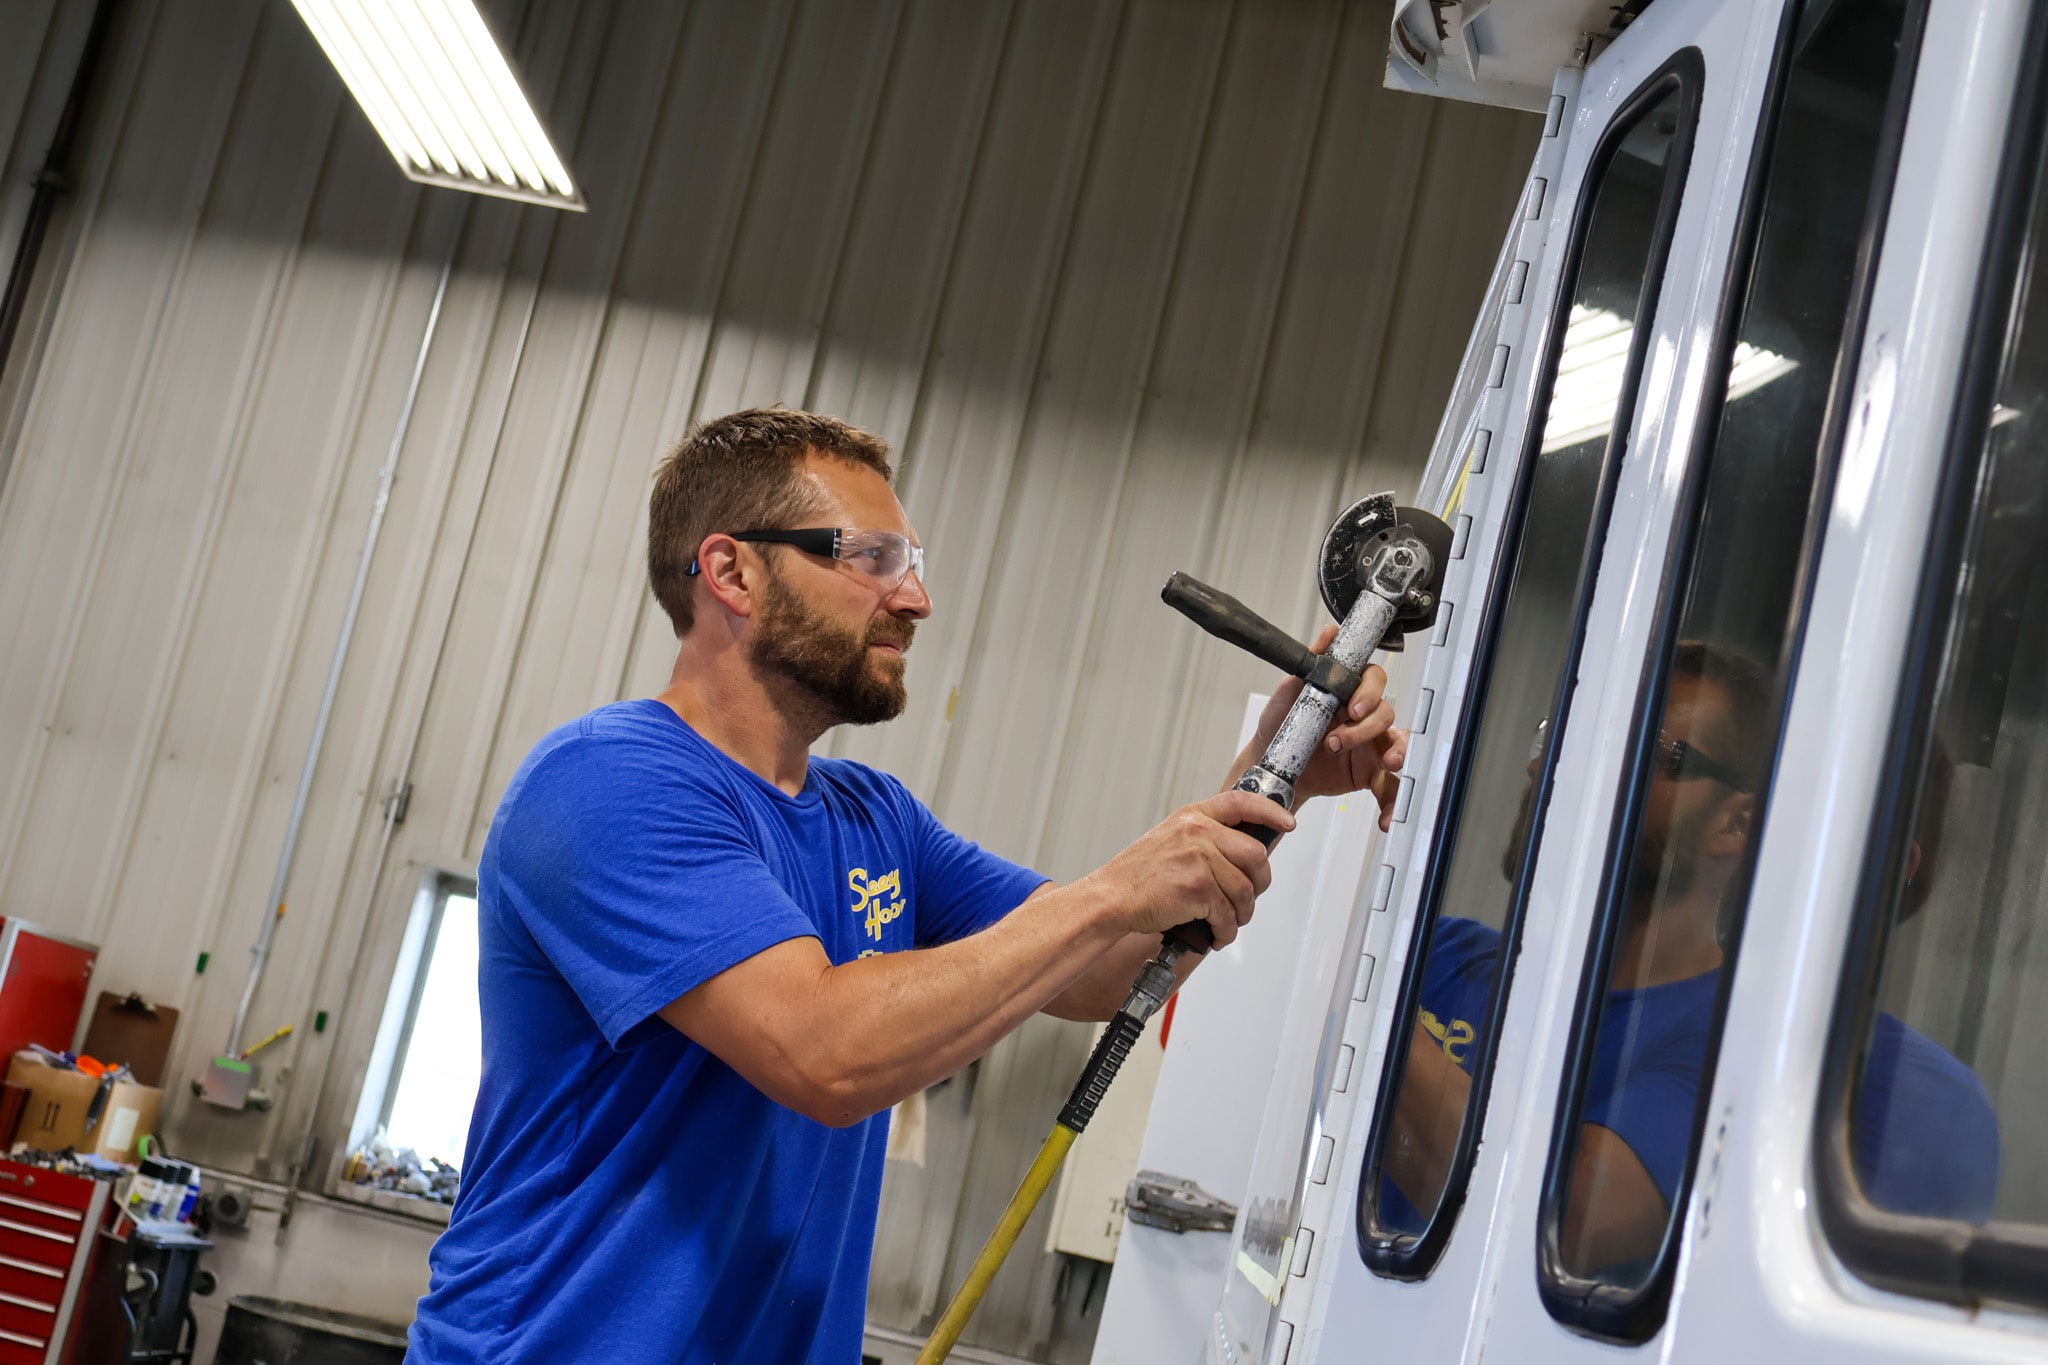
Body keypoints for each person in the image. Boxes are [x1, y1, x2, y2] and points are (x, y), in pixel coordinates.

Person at [406, 408, 1408, 1363]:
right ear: (730, 571)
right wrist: (1114, 887)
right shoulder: (608, 782)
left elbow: (1101, 970)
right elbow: (824, 1054)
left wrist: (1277, 769)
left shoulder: (871, 818)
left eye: (912, 564)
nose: (915, 599)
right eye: (872, 559)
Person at [1380, 641, 2000, 1273]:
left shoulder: (1788, 1058)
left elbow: (1557, 1225)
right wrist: (1303, 789)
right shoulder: (1446, 953)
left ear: (1736, 826)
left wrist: (1379, 992)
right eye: (1572, 725)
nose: (1560, 759)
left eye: (1645, 752)